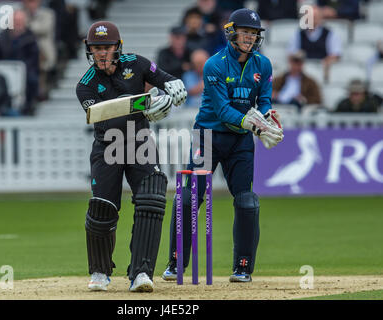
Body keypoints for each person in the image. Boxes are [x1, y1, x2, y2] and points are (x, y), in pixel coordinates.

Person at [162, 8, 283, 283]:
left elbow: (263, 100)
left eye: (254, 34)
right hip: (208, 135)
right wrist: (254, 125)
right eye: (245, 32)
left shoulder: (263, 65)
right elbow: (222, 110)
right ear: (231, 33)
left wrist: (268, 117)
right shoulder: (214, 65)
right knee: (189, 198)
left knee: (247, 201)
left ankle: (242, 267)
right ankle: (176, 263)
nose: (250, 38)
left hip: (240, 140)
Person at [75, 21, 187, 292]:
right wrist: (146, 105)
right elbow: (103, 116)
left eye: (107, 47)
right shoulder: (85, 86)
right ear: (90, 50)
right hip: (108, 145)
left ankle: (141, 273)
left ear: (117, 47)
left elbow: (164, 78)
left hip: (139, 141)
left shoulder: (137, 63)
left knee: (152, 199)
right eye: (96, 48)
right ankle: (100, 271)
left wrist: (173, 88)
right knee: (102, 208)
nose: (101, 53)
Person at [0, 9, 40, 115]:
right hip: (4, 68)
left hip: (26, 69)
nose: (18, 24)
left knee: (32, 79)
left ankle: (28, 106)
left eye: (20, 21)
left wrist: (20, 68)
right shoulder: (2, 36)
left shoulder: (31, 37)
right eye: (15, 21)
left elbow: (34, 59)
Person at [287, 5, 342, 82]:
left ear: (320, 18)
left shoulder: (330, 34)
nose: (311, 19)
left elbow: (335, 55)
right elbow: (291, 54)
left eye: (314, 17)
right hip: (302, 71)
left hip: (322, 69)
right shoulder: (298, 34)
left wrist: (324, 64)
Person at [22, 0, 57, 100]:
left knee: (42, 70)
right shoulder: (22, 13)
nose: (31, 4)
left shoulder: (48, 13)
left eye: (33, 1)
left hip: (43, 50)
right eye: (28, 2)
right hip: (26, 51)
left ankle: (42, 93)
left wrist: (26, 26)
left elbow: (44, 28)